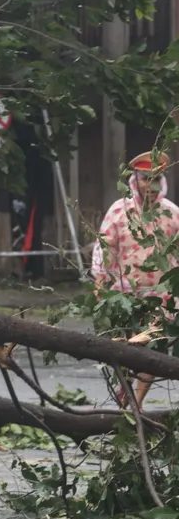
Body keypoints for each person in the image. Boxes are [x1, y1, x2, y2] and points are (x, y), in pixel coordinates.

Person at [91, 151, 179, 408]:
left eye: (156, 179)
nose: (150, 186)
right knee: (128, 351)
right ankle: (126, 391)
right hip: (125, 296)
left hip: (161, 296)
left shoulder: (172, 214)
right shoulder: (120, 211)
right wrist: (100, 284)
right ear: (135, 180)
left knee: (151, 354)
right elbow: (104, 248)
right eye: (145, 179)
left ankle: (137, 404)